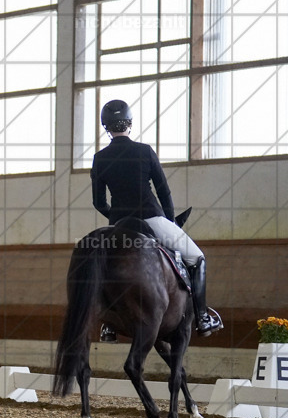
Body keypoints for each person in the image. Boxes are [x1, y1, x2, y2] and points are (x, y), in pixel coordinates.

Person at [91, 99, 222, 342]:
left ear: (106, 127)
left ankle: (108, 325)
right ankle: (203, 317)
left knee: (101, 266)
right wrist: (170, 221)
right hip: (152, 217)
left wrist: (117, 219)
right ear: (129, 124)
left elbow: (98, 202)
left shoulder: (100, 158)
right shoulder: (144, 151)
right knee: (198, 258)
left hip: (119, 223)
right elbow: (164, 191)